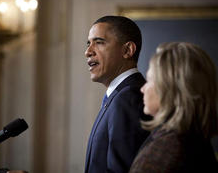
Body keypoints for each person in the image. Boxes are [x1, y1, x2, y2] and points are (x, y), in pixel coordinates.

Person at [129, 42, 218, 173]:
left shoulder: (166, 150)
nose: (142, 89)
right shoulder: (195, 139)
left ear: (170, 88)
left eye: (149, 81)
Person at [84, 15, 150, 173]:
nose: (88, 52)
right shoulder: (119, 95)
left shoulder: (128, 97)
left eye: (99, 42)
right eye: (88, 43)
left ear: (127, 50)